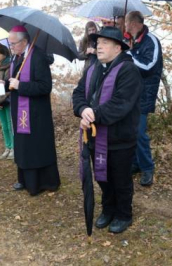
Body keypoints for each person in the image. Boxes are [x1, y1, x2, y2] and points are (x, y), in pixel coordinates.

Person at [72, 27, 142, 234]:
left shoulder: (129, 71)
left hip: (120, 138)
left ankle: (123, 214)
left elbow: (121, 104)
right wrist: (83, 109)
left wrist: (92, 114)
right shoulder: (93, 68)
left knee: (120, 179)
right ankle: (108, 209)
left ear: (118, 47)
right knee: (102, 177)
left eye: (104, 42)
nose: (98, 46)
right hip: (94, 136)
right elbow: (78, 94)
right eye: (97, 42)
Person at [6, 25, 60, 196]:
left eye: (14, 44)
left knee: (36, 147)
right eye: (10, 44)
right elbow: (15, 80)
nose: (11, 47)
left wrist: (20, 85)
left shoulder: (37, 56)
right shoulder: (17, 57)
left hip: (36, 113)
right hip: (20, 111)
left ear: (24, 41)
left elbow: (45, 86)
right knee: (22, 146)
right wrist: (7, 84)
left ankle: (39, 183)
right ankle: (24, 179)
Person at [124, 11, 163, 186]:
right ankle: (135, 164)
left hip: (144, 95)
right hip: (130, 95)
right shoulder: (133, 41)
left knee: (139, 132)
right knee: (130, 131)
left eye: (125, 23)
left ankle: (147, 168)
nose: (124, 27)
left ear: (133, 23)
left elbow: (149, 67)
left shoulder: (151, 40)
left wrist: (130, 54)